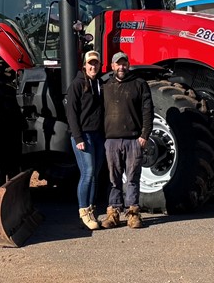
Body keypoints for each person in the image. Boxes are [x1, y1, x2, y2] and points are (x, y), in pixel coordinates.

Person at [101, 51, 154, 229]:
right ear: (112, 66)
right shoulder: (106, 86)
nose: (121, 67)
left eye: (124, 63)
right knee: (113, 178)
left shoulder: (139, 84)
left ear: (128, 65)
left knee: (132, 177)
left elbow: (148, 110)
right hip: (111, 140)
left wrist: (144, 135)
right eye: (118, 64)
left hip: (133, 140)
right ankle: (113, 213)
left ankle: (133, 213)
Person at [66, 50, 105, 230]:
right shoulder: (77, 84)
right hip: (84, 136)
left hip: (97, 135)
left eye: (96, 63)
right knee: (87, 173)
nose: (93, 66)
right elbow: (71, 113)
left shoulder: (99, 83)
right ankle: (83, 211)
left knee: (95, 174)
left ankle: (91, 208)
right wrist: (78, 137)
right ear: (84, 65)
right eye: (90, 63)